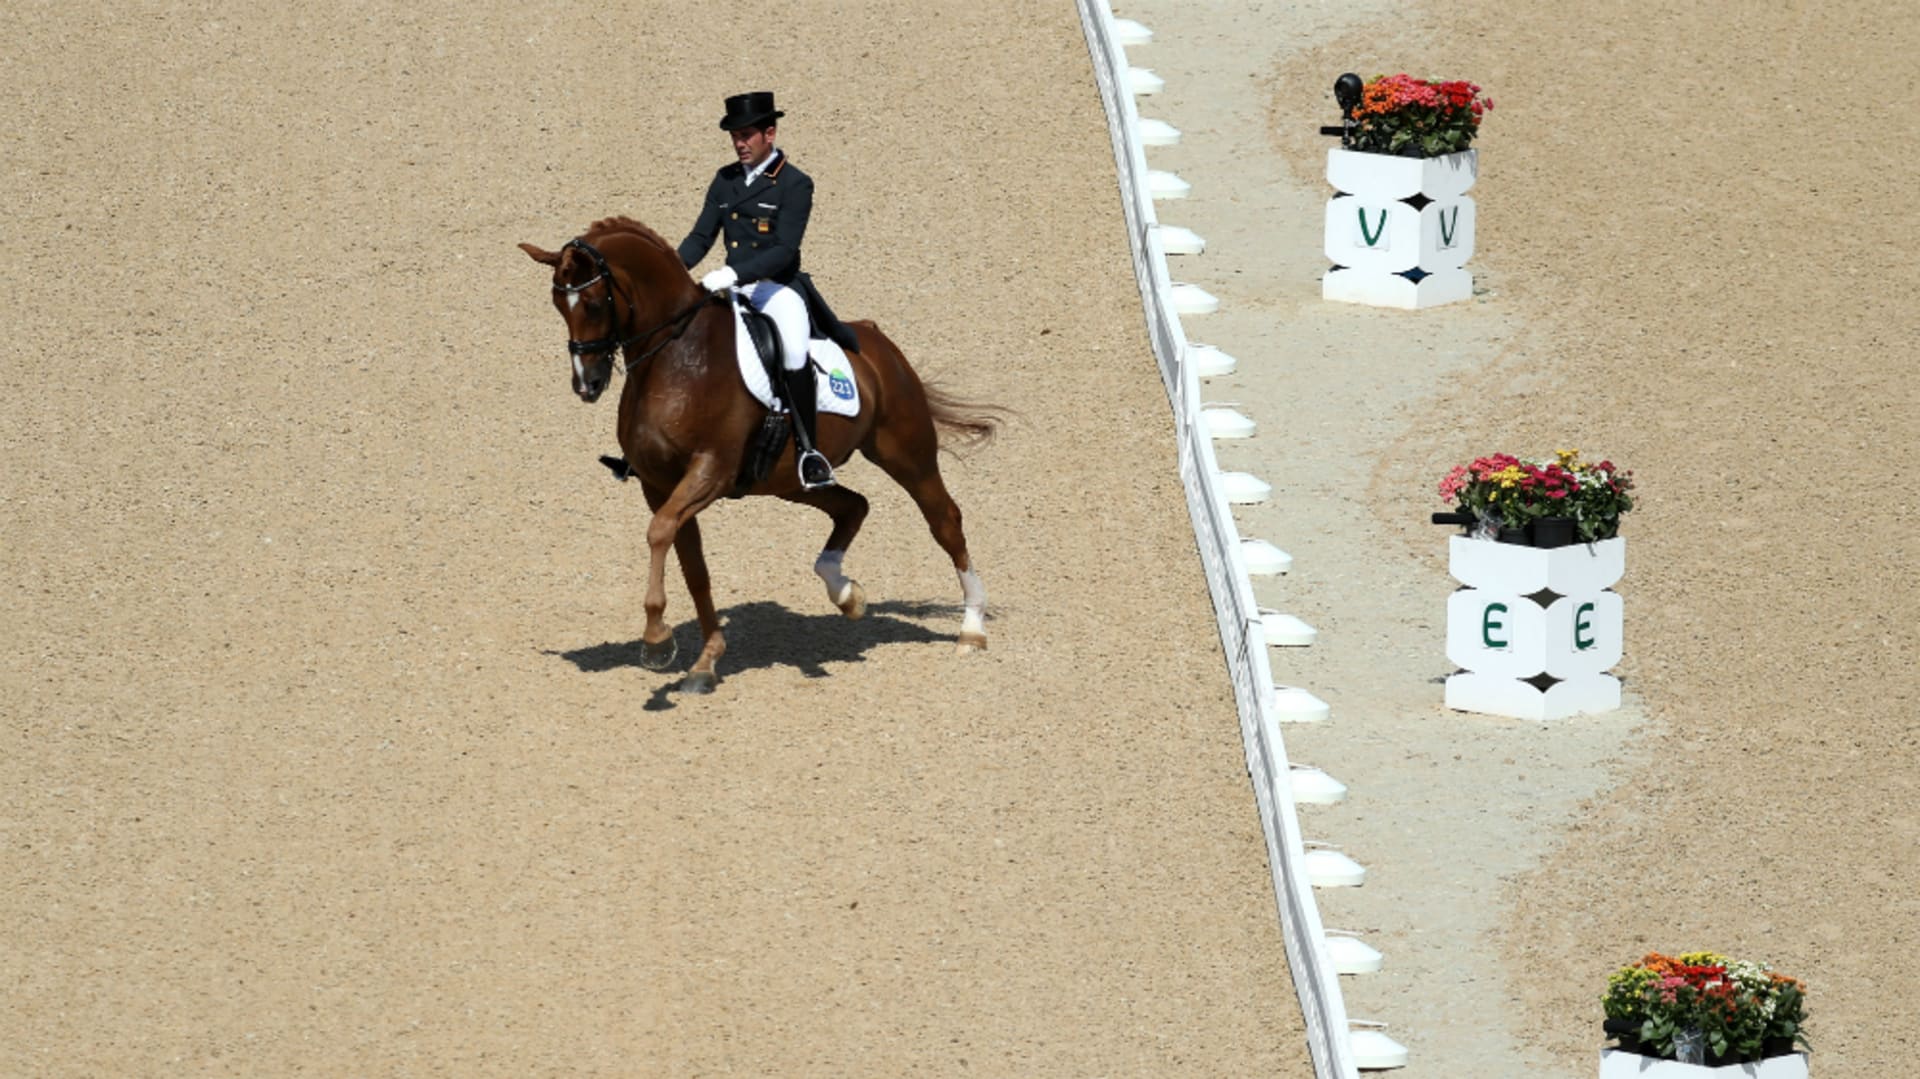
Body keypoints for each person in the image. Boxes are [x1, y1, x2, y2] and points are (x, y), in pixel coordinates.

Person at [678, 91, 835, 489]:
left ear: (770, 132)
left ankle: (809, 452)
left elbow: (784, 250)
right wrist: (673, 271)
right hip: (732, 290)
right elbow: (700, 237)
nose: (739, 143)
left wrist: (733, 274)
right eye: (734, 136)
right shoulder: (725, 179)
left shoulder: (795, 184)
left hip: (774, 288)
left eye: (746, 135)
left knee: (795, 351)